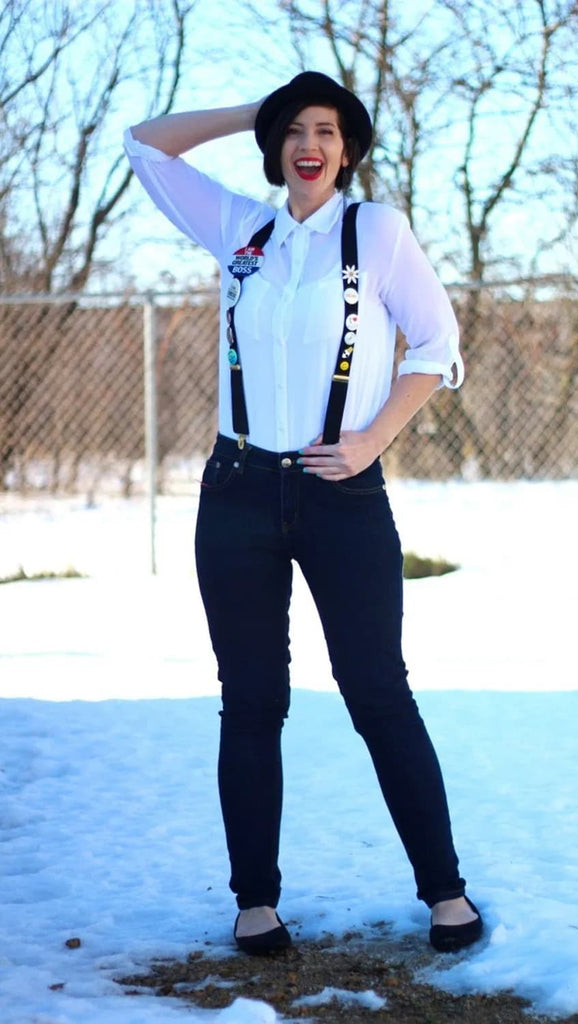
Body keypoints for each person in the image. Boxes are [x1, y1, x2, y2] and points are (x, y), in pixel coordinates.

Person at [124, 71, 482, 956]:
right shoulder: (240, 226)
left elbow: (437, 346)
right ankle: (256, 902)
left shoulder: (376, 232)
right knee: (250, 700)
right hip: (237, 490)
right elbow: (145, 142)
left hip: (342, 495)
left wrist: (369, 442)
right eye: (291, 129)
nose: (306, 142)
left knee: (377, 693)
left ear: (347, 149)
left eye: (324, 128)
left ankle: (445, 893)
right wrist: (258, 109)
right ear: (275, 147)